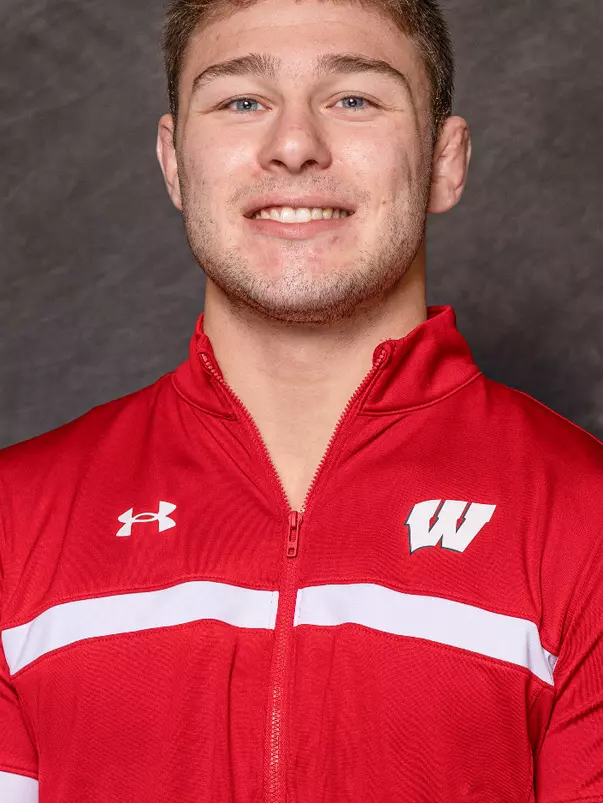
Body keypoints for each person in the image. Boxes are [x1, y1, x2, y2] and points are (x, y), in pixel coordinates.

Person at [1, 0, 602, 799]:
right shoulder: (15, 516)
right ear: (174, 161)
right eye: (241, 101)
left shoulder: (585, 517)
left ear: (444, 162)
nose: (293, 146)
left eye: (353, 98)